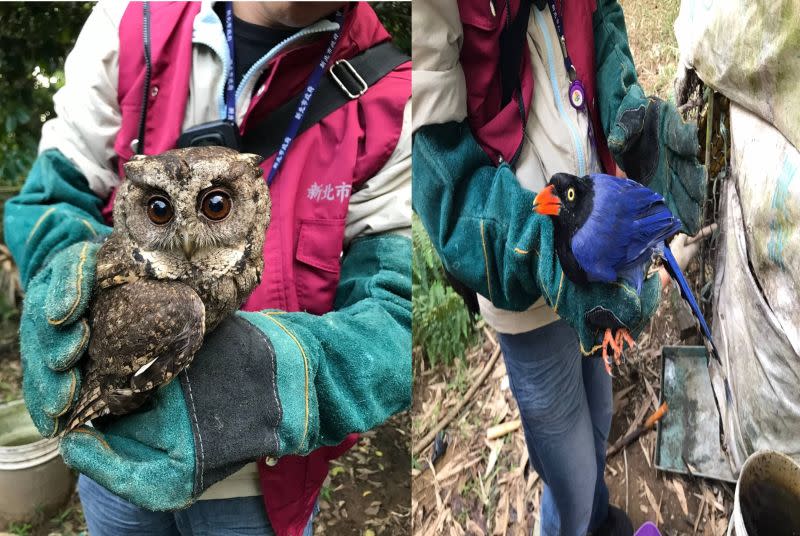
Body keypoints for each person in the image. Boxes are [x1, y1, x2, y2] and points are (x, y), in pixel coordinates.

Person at [4, 2, 411, 535]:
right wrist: (63, 277)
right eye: (157, 210)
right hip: (116, 454)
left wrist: (281, 377)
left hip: (266, 479)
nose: (187, 240)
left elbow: (397, 314)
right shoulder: (131, 23)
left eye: (217, 207)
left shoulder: (392, 94)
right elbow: (50, 198)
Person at [412, 0, 705, 534]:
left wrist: (627, 111)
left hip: (595, 248)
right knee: (568, 470)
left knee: (597, 411)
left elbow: (602, 18)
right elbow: (441, 179)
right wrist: (537, 248)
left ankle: (601, 522)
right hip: (524, 290)